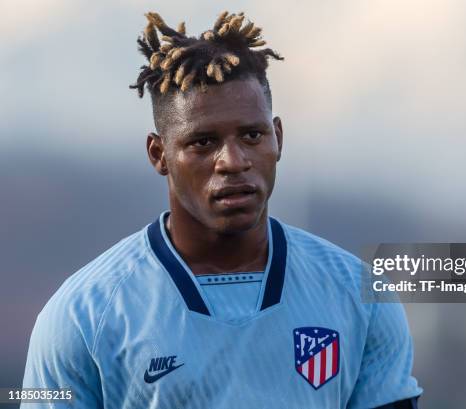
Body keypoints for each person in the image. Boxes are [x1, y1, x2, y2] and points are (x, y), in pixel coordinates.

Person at [21, 11, 422, 408]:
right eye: (203, 142)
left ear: (277, 138)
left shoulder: (359, 294)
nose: (232, 160)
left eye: (252, 135)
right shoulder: (81, 315)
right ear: (159, 154)